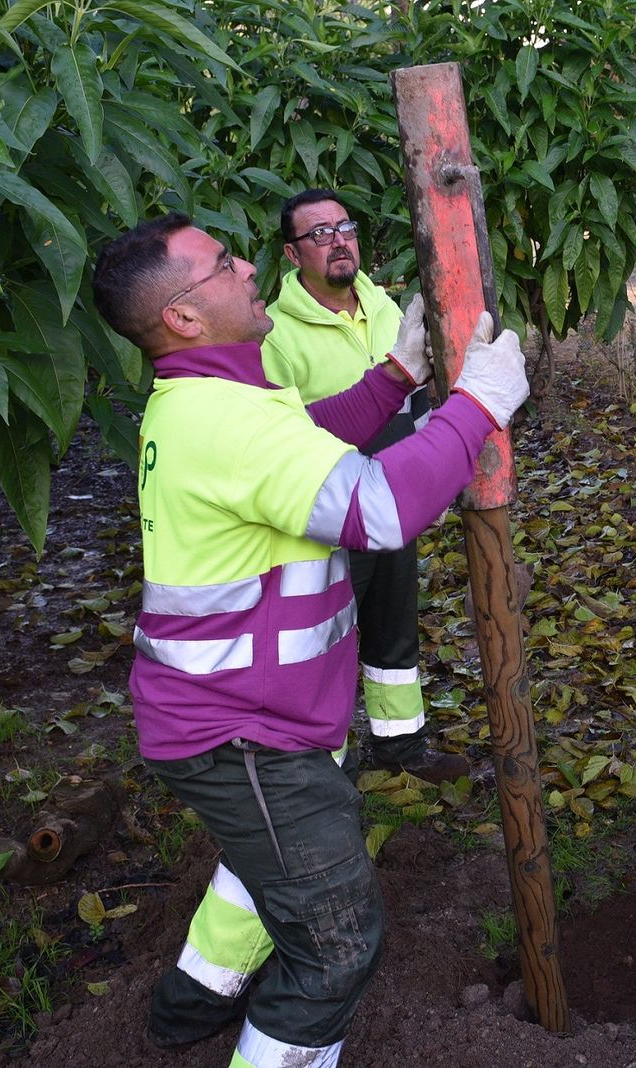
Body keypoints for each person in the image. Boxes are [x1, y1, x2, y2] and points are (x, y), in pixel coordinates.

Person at [90, 212, 528, 1067]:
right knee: (334, 942)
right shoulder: (225, 421)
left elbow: (309, 441)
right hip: (244, 738)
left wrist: (398, 375)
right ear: (182, 315)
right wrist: (477, 404)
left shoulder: (205, 402)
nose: (250, 267)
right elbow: (379, 508)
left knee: (270, 870)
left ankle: (185, 1011)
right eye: (222, 263)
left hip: (249, 722)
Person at [261, 188, 463, 783]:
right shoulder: (277, 333)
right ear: (293, 254)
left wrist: (438, 482)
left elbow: (420, 399)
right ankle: (327, 765)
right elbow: (286, 440)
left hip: (393, 497)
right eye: (318, 234)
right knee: (326, 641)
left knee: (395, 626)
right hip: (328, 513)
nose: (337, 241)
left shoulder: (385, 307)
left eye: (344, 227)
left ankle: (402, 747)